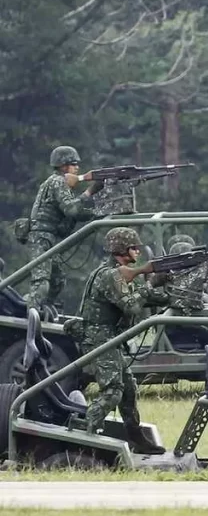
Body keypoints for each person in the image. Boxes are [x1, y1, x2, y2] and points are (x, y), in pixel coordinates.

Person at [80, 227, 168, 454]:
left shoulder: (118, 272)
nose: (138, 251)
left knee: (128, 389)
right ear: (120, 250)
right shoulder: (110, 275)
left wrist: (171, 292)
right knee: (113, 391)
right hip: (100, 338)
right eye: (133, 247)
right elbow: (131, 305)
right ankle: (87, 439)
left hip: (108, 338)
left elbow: (143, 297)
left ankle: (137, 439)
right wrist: (150, 284)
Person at [25, 146, 102, 319]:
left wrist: (91, 198)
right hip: (41, 237)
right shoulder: (57, 181)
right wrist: (92, 201)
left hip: (49, 237)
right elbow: (72, 210)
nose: (77, 168)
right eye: (73, 164)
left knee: (58, 280)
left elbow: (71, 209)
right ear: (63, 166)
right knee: (42, 281)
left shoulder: (56, 182)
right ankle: (31, 315)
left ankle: (45, 309)